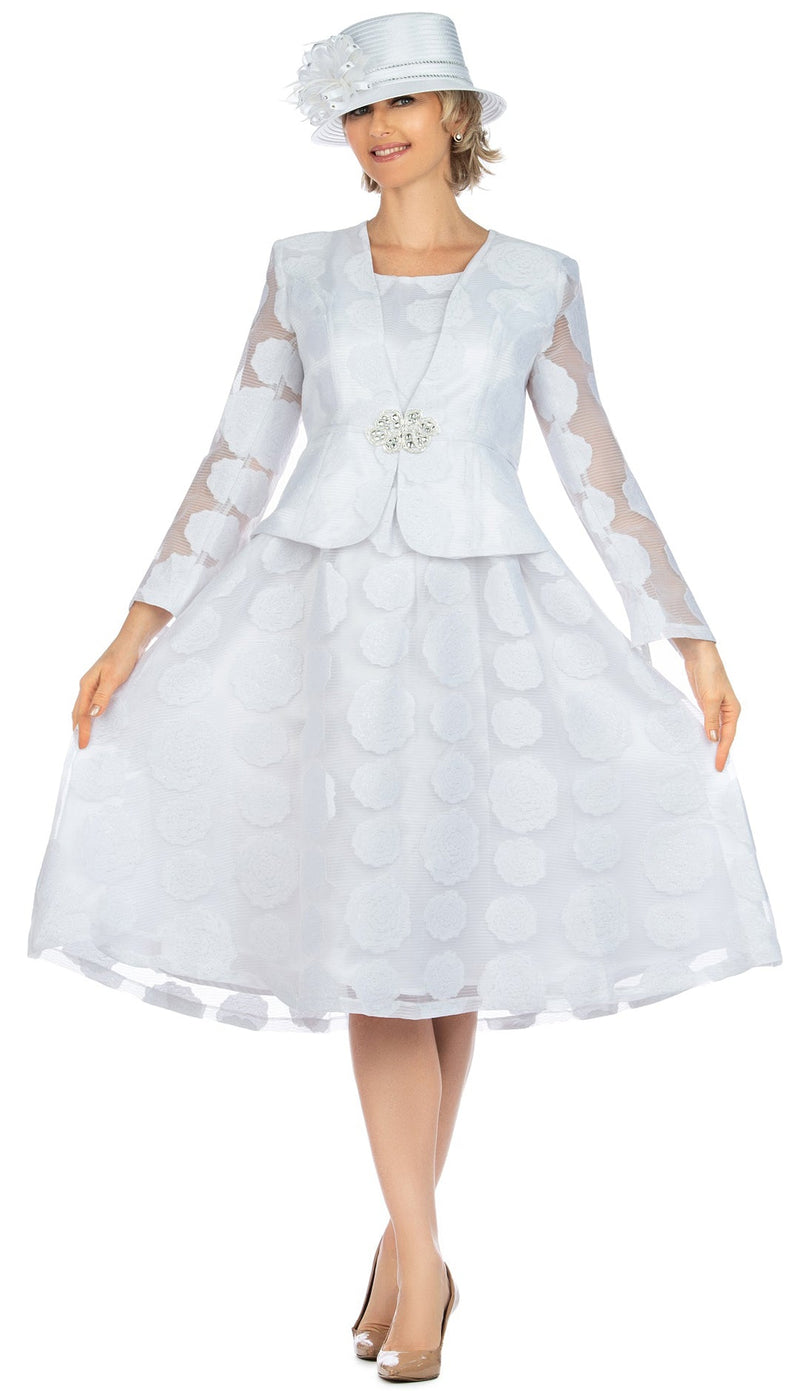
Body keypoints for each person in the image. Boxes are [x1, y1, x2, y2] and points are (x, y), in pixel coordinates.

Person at [27, 12, 782, 1382]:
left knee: (446, 945)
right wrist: (135, 628)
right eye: (360, 109)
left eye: (406, 104)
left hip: (481, 632)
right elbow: (236, 457)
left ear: (455, 117)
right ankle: (425, 1267)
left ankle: (404, 1242)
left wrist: (691, 636)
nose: (380, 130)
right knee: (380, 940)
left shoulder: (538, 277)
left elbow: (597, 467)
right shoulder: (301, 269)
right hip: (326, 627)